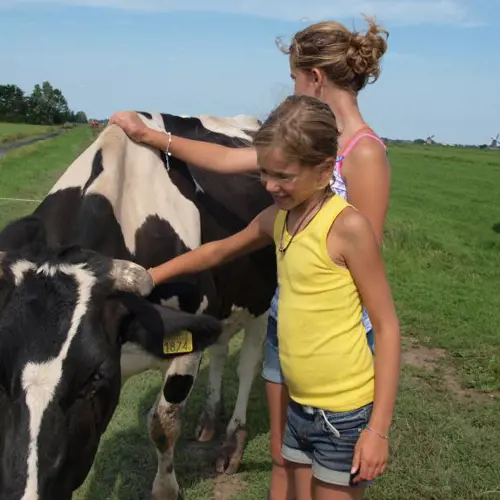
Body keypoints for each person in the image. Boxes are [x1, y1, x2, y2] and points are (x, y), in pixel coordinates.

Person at [109, 16, 391, 500]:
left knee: (323, 473)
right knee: (283, 457)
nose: (270, 186)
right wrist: (157, 138)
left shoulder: (363, 155)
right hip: (286, 326)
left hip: (334, 345)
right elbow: (224, 169)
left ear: (314, 79)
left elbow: (368, 275)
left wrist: (376, 421)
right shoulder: (290, 152)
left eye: (294, 78)